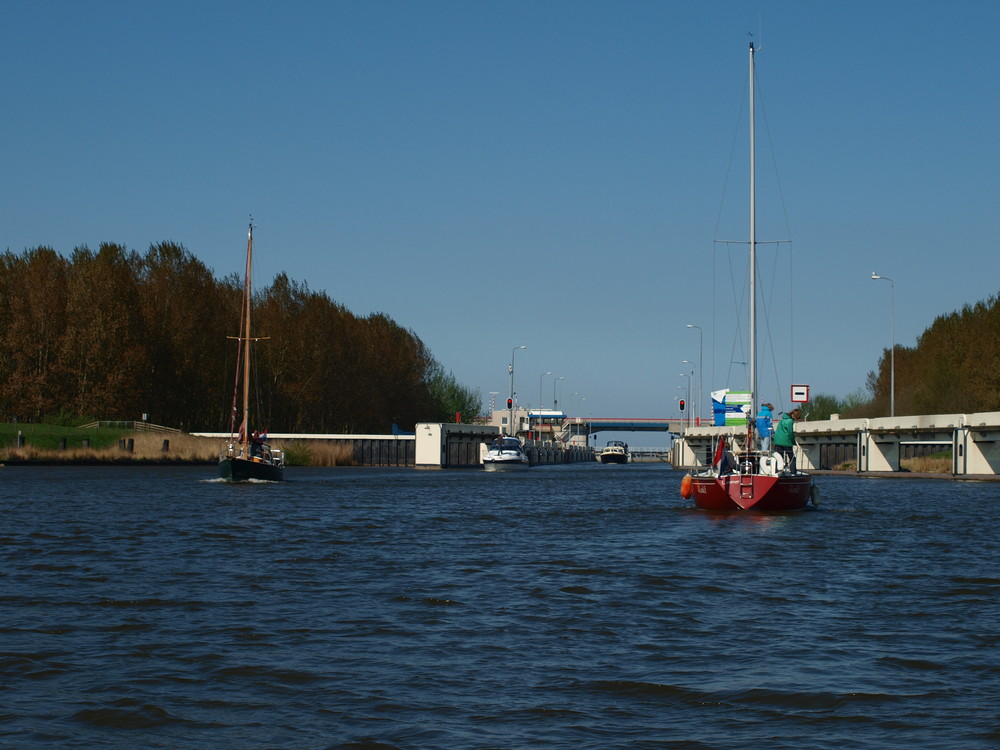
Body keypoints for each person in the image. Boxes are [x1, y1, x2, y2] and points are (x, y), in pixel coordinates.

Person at [773, 408, 801, 473]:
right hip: (786, 441)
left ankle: (777, 471)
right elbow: (790, 433)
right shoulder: (790, 421)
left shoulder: (782, 419)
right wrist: (793, 442)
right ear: (794, 416)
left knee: (779, 457)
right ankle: (793, 472)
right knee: (792, 458)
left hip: (777, 441)